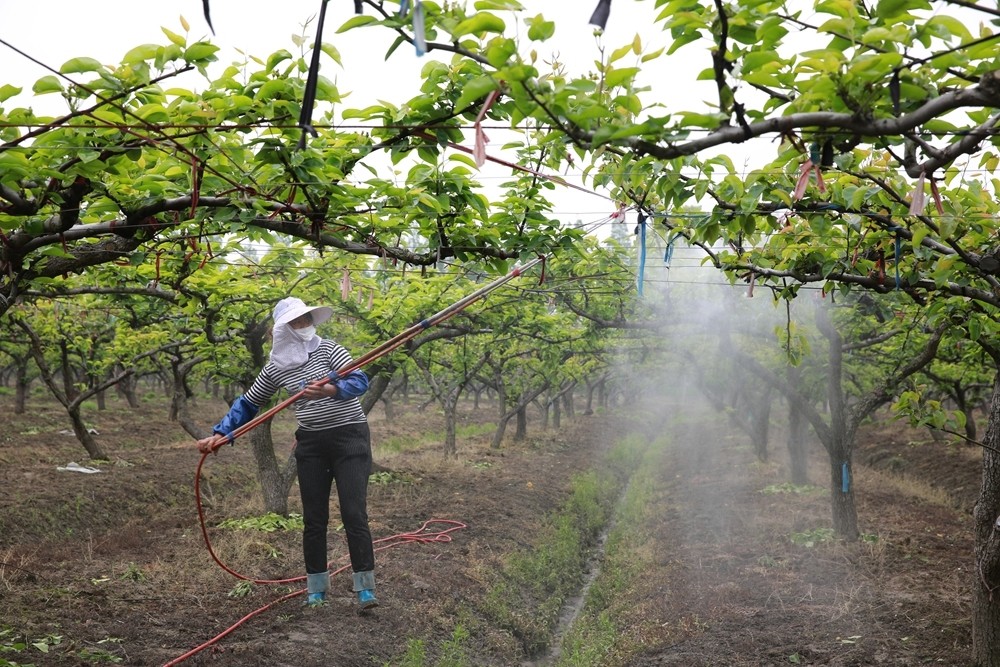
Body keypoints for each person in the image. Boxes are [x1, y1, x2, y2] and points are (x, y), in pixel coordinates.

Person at [197, 297, 378, 611]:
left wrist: (331, 389)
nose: (305, 326)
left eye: (307, 319)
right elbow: (250, 403)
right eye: (297, 322)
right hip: (311, 445)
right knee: (314, 518)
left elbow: (359, 379)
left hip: (350, 438)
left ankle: (365, 588)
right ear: (283, 330)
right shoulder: (276, 368)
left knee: (353, 512)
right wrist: (220, 434)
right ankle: (317, 588)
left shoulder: (328, 349)